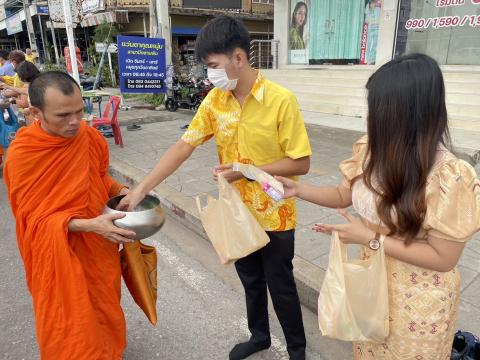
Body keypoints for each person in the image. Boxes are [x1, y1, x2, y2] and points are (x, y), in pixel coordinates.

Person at [119, 15, 312, 360]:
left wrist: (247, 171)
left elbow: (300, 163)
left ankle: (297, 351)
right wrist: (140, 188)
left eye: (213, 65)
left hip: (276, 212)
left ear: (238, 58)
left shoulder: (281, 100)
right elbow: (183, 146)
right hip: (236, 211)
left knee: (281, 287)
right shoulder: (215, 102)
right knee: (250, 280)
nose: (210, 75)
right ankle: (259, 337)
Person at [276, 53, 480, 359]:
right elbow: (343, 194)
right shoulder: (371, 148)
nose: (371, 116)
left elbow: (443, 258)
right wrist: (298, 189)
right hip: (370, 285)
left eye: (379, 108)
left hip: (419, 305)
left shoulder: (450, 174)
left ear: (409, 113)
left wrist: (369, 238)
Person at [3, 71, 134, 359]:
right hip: (60, 249)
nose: (75, 122)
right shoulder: (24, 154)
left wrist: (122, 190)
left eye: (79, 111)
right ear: (36, 112)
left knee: (104, 303)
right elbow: (32, 221)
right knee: (70, 317)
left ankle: (108, 350)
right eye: (63, 115)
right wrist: (90, 224)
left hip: (99, 245)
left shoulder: (88, 136)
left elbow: (99, 177)